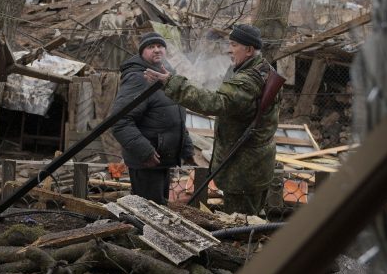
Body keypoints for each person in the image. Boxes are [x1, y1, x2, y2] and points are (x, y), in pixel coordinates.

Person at [144, 24, 280, 215]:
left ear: (249, 50)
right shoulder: (260, 69)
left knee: (240, 225)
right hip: (251, 165)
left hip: (243, 170)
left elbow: (215, 102)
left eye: (234, 45)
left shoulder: (248, 81)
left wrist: (171, 83)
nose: (229, 49)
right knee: (248, 221)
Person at [111, 32, 195, 205]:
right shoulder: (138, 78)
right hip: (147, 162)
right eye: (151, 47)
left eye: (160, 46)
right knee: (149, 214)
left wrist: (186, 148)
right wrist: (145, 152)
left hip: (163, 160)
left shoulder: (166, 76)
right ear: (142, 52)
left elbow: (175, 115)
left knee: (159, 210)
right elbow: (120, 121)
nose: (157, 50)